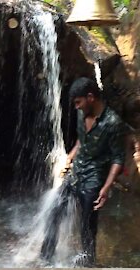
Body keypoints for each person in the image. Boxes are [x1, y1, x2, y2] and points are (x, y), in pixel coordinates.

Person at [40, 77, 126, 267]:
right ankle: (45, 259)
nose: (76, 107)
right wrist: (69, 157)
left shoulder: (112, 123)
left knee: (87, 227)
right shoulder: (82, 114)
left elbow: (118, 159)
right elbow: (81, 141)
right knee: (54, 211)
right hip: (76, 173)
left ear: (90, 97)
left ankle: (88, 262)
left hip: (94, 180)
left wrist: (106, 187)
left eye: (78, 102)